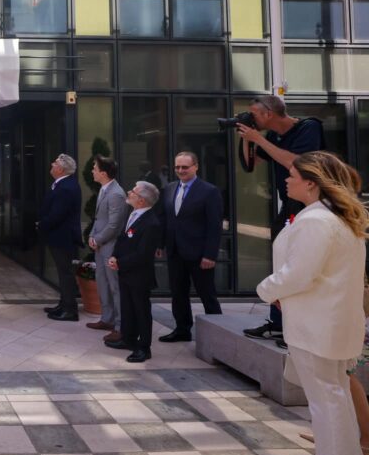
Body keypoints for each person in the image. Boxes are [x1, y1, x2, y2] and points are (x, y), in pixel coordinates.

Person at [257, 152, 368, 455]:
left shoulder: (316, 220)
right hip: (329, 323)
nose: (286, 180)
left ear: (311, 182)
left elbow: (299, 273)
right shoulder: (333, 217)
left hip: (318, 325)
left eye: (291, 174)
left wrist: (266, 288)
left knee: (328, 403)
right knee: (336, 400)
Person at [237, 95, 326, 344]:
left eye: (253, 114)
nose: (251, 118)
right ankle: (279, 323)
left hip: (310, 204)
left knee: (300, 262)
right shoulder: (273, 137)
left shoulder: (309, 127)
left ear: (268, 114)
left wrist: (257, 139)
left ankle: (299, 326)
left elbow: (297, 162)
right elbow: (249, 163)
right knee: (280, 259)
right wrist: (248, 140)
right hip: (288, 205)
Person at [158, 151, 223, 343]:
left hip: (199, 254)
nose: (180, 170)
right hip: (175, 251)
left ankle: (219, 334)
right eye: (177, 167)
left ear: (195, 167)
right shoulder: (169, 189)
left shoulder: (209, 191)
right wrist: (160, 243)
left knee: (207, 295)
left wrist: (210, 255)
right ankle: (182, 330)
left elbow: (214, 226)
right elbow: (166, 219)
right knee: (178, 294)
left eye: (184, 167)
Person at [105, 181, 162, 364]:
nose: (129, 193)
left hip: (139, 274)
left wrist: (120, 262)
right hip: (125, 271)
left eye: (133, 192)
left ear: (142, 200)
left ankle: (144, 347)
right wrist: (115, 257)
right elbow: (123, 240)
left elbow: (143, 254)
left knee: (141, 310)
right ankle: (128, 339)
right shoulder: (134, 214)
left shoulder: (151, 223)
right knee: (127, 307)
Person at [86, 156, 128, 342]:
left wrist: (98, 238)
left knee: (114, 286)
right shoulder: (104, 189)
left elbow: (114, 225)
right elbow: (99, 219)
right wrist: (91, 236)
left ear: (103, 173)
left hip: (110, 246)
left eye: (94, 168)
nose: (92, 171)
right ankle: (107, 319)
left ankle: (120, 325)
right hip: (100, 245)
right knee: (102, 283)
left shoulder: (116, 194)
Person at [40, 154, 83, 322]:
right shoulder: (62, 184)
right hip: (58, 235)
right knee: (63, 272)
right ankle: (63, 303)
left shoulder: (66, 187)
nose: (52, 164)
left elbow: (58, 214)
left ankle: (70, 310)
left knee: (65, 273)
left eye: (55, 163)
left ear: (61, 169)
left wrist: (42, 224)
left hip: (62, 237)